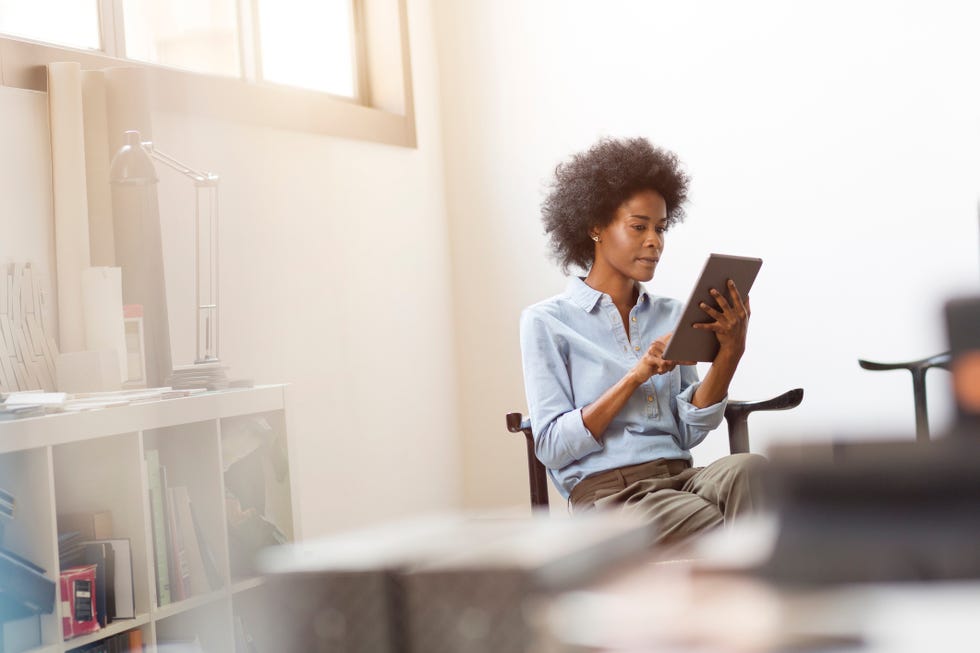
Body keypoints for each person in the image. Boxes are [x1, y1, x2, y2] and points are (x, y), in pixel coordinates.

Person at [520, 136, 765, 544]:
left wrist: (730, 352)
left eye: (661, 228)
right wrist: (635, 376)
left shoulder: (672, 313)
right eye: (639, 227)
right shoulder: (547, 322)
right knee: (735, 528)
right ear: (595, 226)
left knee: (753, 472)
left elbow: (688, 432)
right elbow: (551, 447)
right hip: (609, 497)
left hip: (681, 477)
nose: (655, 241)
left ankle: (749, 591)